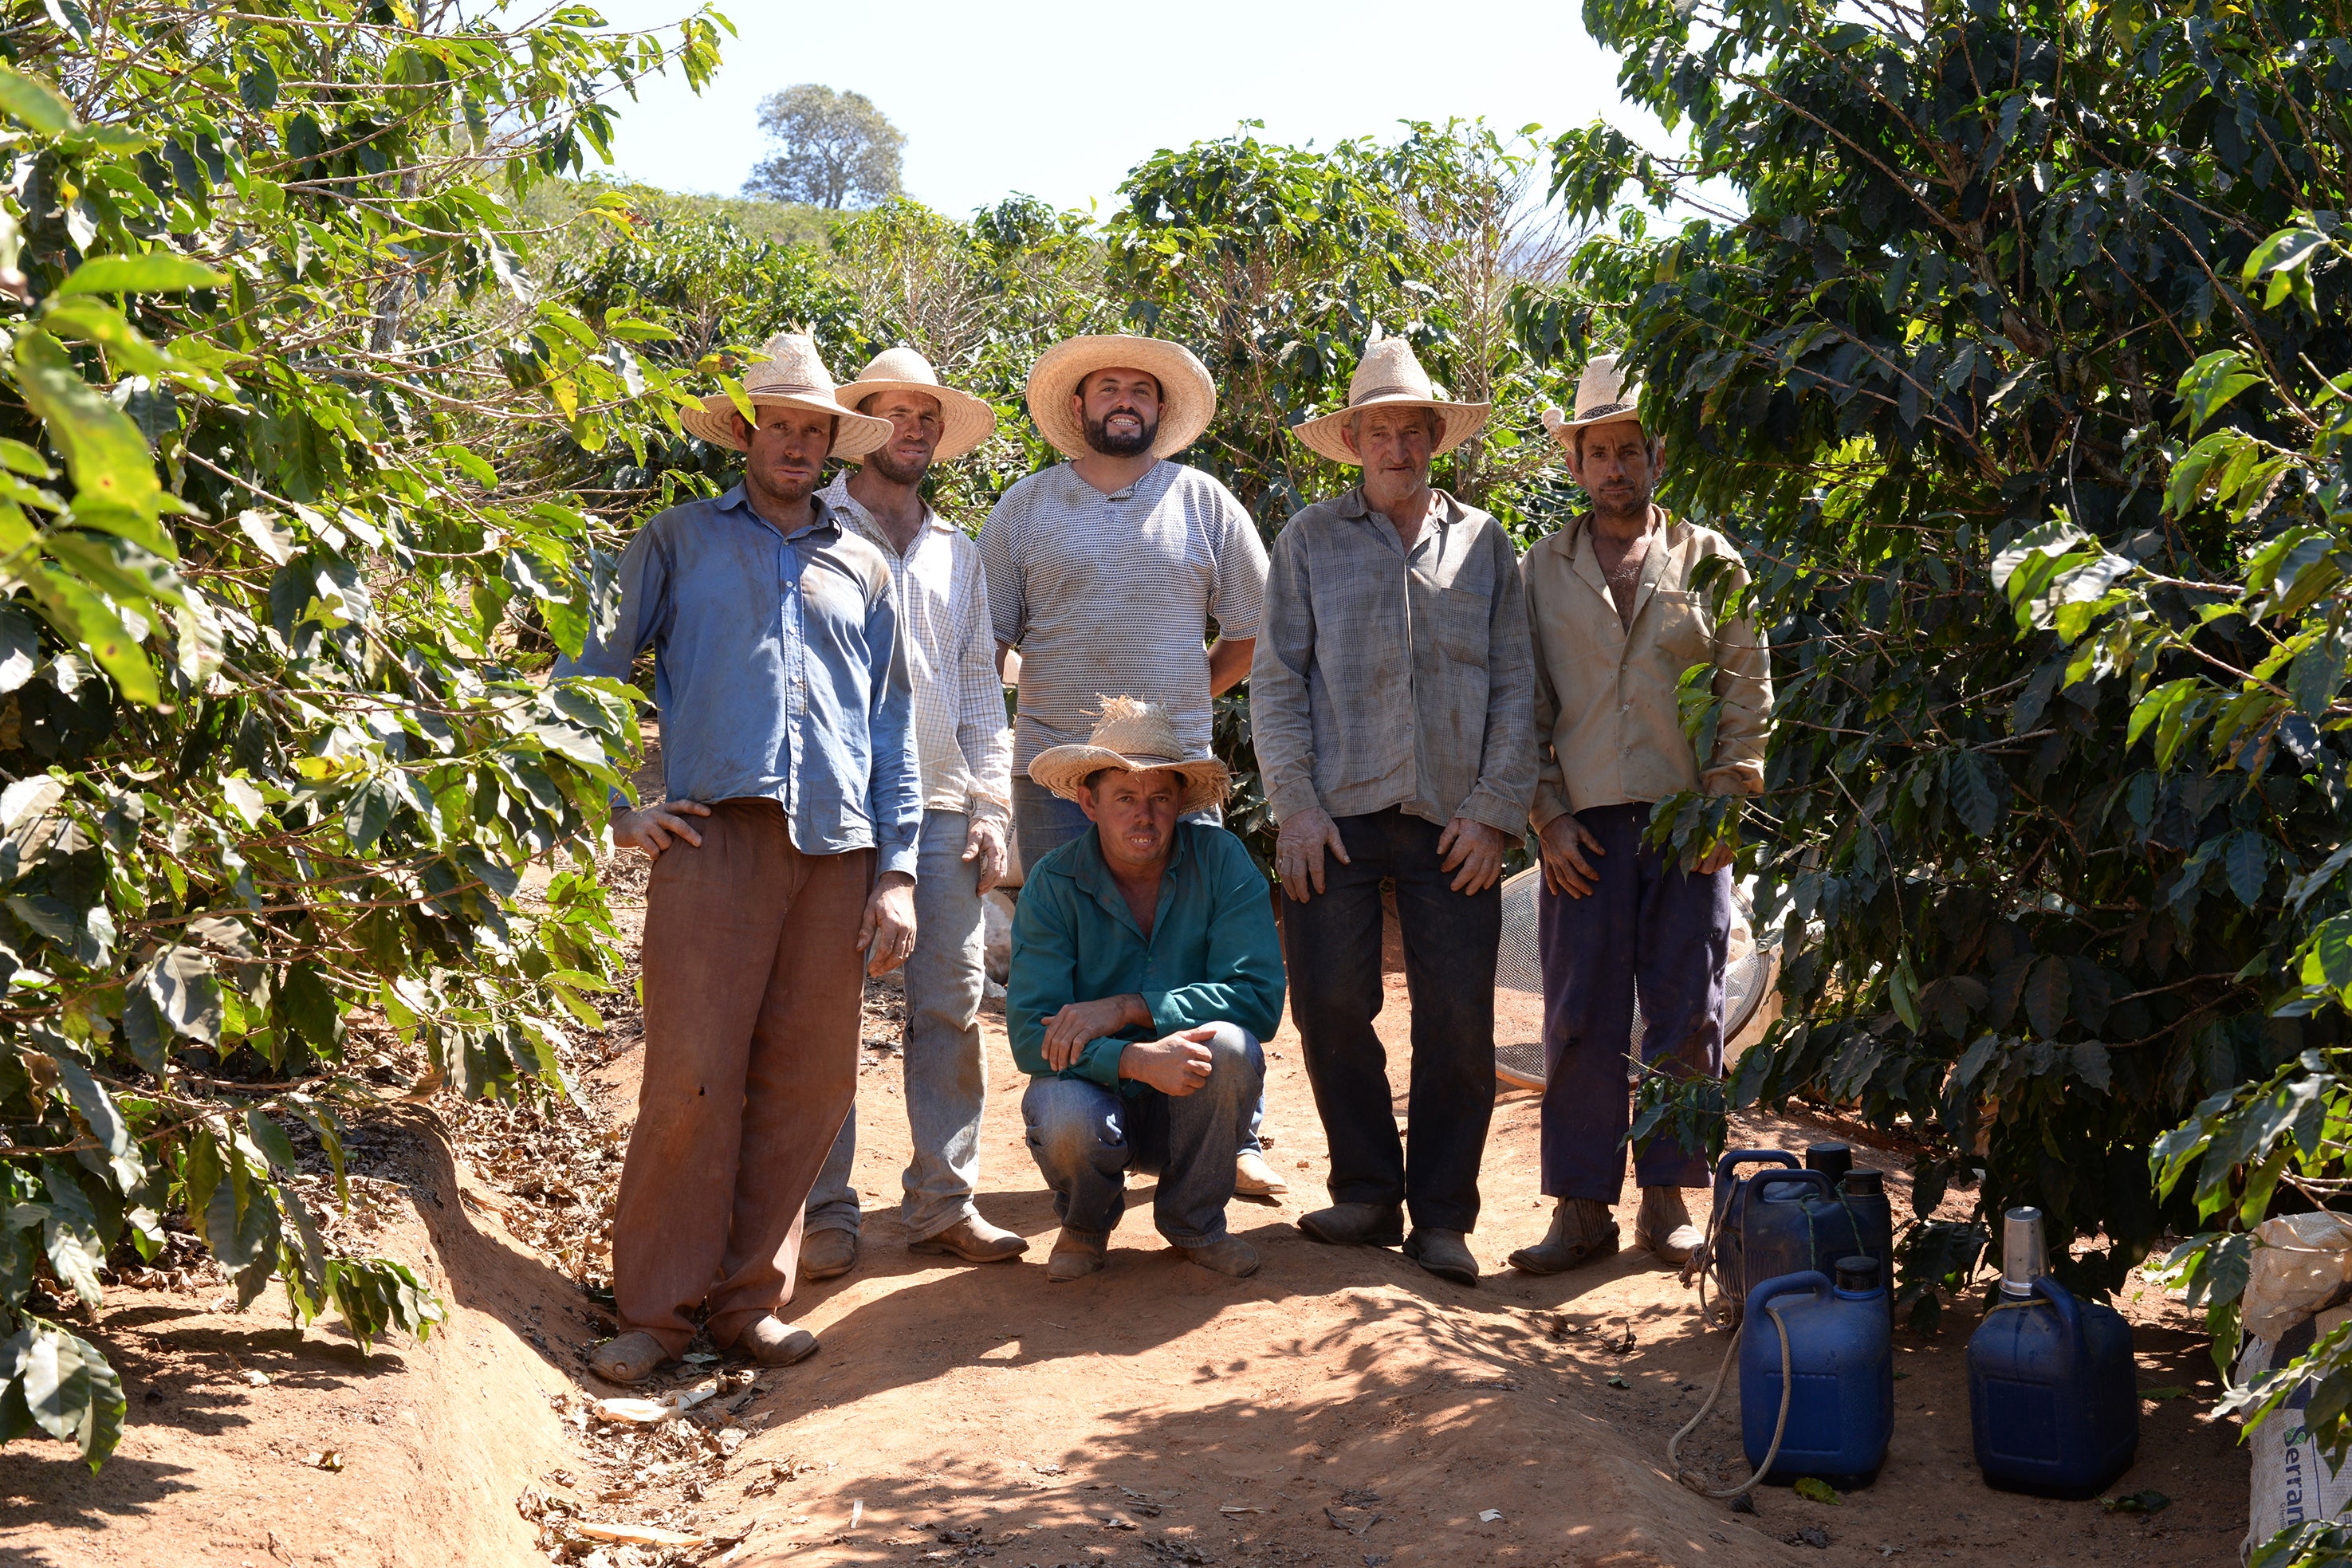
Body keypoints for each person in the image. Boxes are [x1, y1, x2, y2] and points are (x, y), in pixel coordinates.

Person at [560, 333, 919, 1384]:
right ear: (745, 433)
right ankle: (657, 1313)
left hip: (836, 852)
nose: (799, 444)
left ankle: (750, 1301)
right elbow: (584, 673)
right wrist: (618, 806)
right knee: (690, 1080)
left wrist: (896, 871)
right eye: (783, 426)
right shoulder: (673, 541)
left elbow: (893, 731)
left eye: (817, 430)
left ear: (831, 444)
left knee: (805, 1085)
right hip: (714, 840)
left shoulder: (863, 559)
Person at [1249, 334, 1536, 1287]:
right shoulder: (1307, 541)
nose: (1397, 448)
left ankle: (1445, 1215)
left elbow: (1516, 688)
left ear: (1432, 439)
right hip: (1332, 813)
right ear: (1354, 439)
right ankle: (1368, 1189)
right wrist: (1293, 806)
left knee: (1456, 1019)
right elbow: (1277, 682)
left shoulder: (1488, 544)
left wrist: (1496, 811)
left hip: (1454, 819)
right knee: (1330, 1001)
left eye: (1413, 431)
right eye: (1380, 431)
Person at [979, 333, 1285, 1198]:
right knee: (1071, 955)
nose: (1123, 400)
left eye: (1139, 390)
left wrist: (1182, 701)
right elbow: (989, 640)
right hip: (1054, 774)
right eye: (1105, 387)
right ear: (1076, 409)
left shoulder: (1205, 503)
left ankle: (1235, 1134)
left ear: (1159, 409)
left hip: (1174, 770)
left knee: (1206, 953)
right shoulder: (1025, 508)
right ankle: (1091, 1121)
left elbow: (1250, 633)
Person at [1505, 353, 1773, 1275]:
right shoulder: (1540, 569)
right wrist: (1544, 817)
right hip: (1580, 830)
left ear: (1655, 455)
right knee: (1579, 1018)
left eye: (1629, 449)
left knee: (1684, 1013)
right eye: (1597, 453)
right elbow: (1522, 703)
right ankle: (1580, 1211)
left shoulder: (1710, 558)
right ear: (1574, 465)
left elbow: (1747, 689)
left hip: (1685, 828)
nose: (1614, 467)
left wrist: (1728, 803)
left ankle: (1668, 1203)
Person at [796, 347, 1027, 1280]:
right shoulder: (814, 528)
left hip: (940, 806)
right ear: (862, 427)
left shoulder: (956, 552)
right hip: (832, 811)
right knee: (827, 1012)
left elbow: (980, 689)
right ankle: (824, 1209)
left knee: (951, 1005)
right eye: (892, 412)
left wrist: (991, 803)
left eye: (925, 415)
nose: (913, 428)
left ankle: (944, 1200)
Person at [1005, 698, 1284, 1283]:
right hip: (1096, 1099)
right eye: (1125, 799)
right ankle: (1085, 1223)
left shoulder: (1223, 861)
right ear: (1089, 802)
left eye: (1160, 797)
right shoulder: (1053, 884)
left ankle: (1195, 1222)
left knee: (1232, 1046)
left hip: (1193, 1105)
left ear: (1180, 801)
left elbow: (1259, 997)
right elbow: (1032, 1035)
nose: (1145, 816)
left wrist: (1132, 1008)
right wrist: (1132, 1058)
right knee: (1059, 1108)